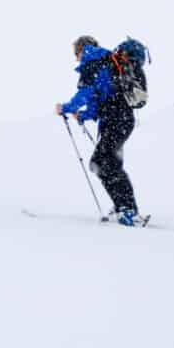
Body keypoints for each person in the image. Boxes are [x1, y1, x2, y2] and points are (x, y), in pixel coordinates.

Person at [56, 35, 141, 225]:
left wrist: (66, 107)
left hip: (117, 121)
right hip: (121, 119)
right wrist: (84, 115)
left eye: (75, 53)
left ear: (81, 50)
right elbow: (97, 100)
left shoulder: (92, 62)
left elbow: (85, 93)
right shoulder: (105, 62)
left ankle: (128, 209)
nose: (75, 58)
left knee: (105, 163)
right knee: (103, 163)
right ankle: (123, 206)